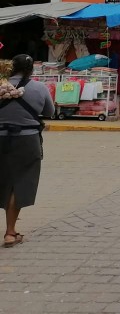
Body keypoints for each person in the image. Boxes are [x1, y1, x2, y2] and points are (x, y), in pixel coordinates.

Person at [0, 54, 54, 248]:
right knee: (20, 183)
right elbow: (49, 112)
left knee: (4, 181)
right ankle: (10, 232)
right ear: (32, 70)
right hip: (27, 140)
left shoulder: (1, 85)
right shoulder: (40, 88)